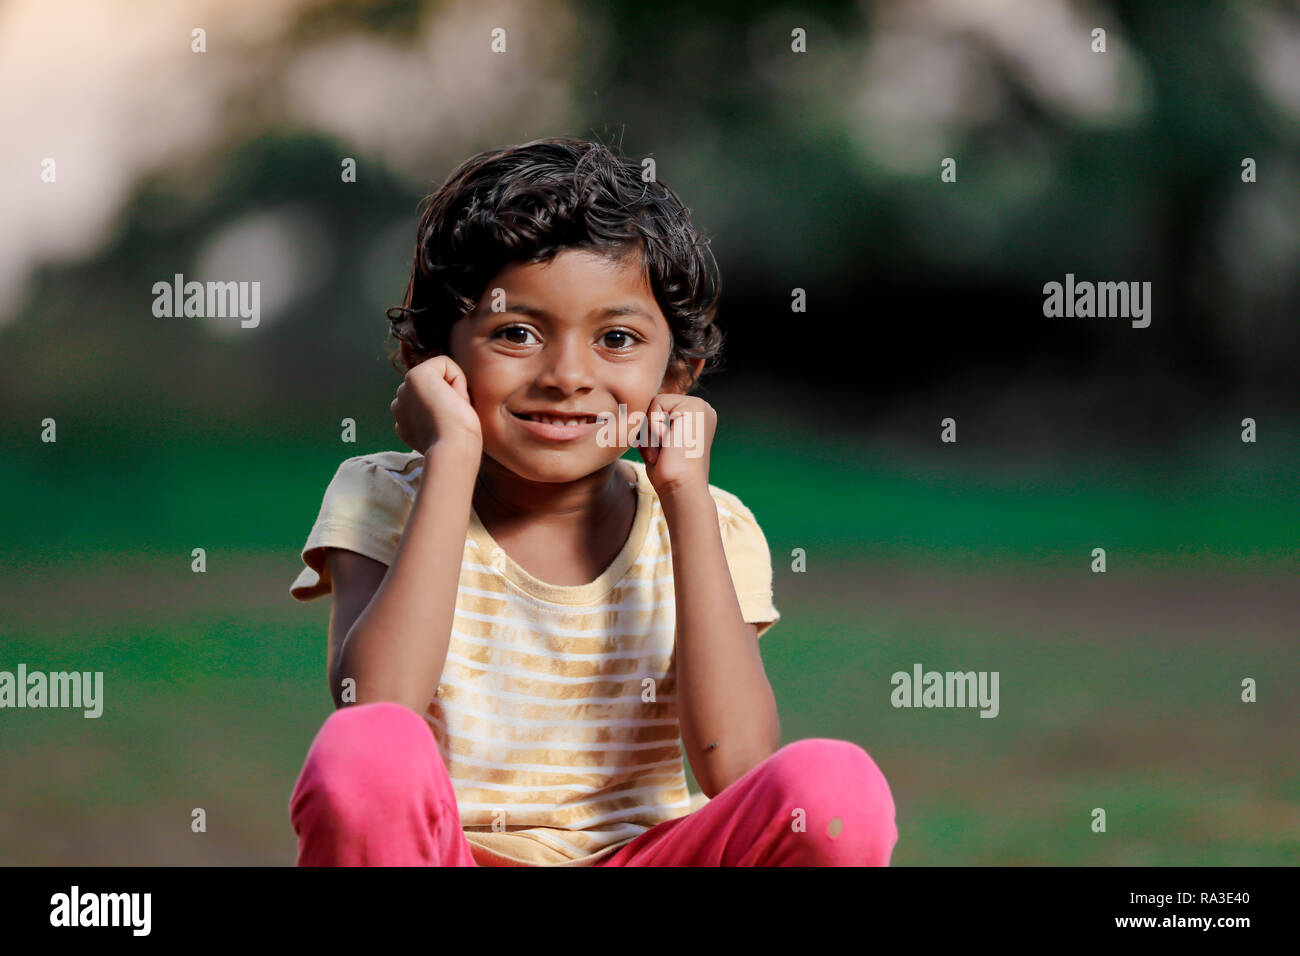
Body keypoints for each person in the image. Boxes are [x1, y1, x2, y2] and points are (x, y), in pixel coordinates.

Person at [286, 137, 897, 866]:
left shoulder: (712, 522)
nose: (568, 375)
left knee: (835, 789)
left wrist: (685, 498)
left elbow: (733, 762)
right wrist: (450, 459)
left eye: (616, 337)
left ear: (678, 374)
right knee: (365, 747)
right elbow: (375, 709)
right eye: (516, 332)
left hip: (643, 854)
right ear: (433, 357)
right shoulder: (385, 495)